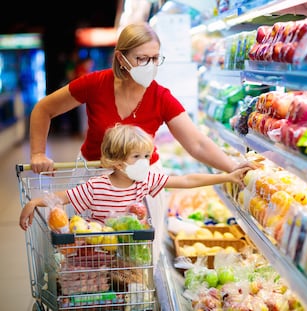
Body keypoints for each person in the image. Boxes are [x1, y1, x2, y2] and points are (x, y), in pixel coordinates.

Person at [28, 22, 256, 264]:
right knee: (88, 255)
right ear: (121, 58)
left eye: (156, 58)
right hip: (93, 181)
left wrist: (232, 167)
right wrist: (38, 153)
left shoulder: (160, 97)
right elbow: (44, 109)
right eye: (142, 58)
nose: (150, 66)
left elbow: (197, 144)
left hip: (141, 184)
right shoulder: (95, 84)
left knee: (137, 260)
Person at [19, 124, 250, 231]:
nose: (145, 162)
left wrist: (226, 177)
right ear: (117, 162)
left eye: (147, 156)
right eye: (137, 156)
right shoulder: (96, 187)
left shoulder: (145, 180)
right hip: (100, 255)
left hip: (133, 256)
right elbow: (63, 197)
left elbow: (187, 180)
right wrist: (33, 202)